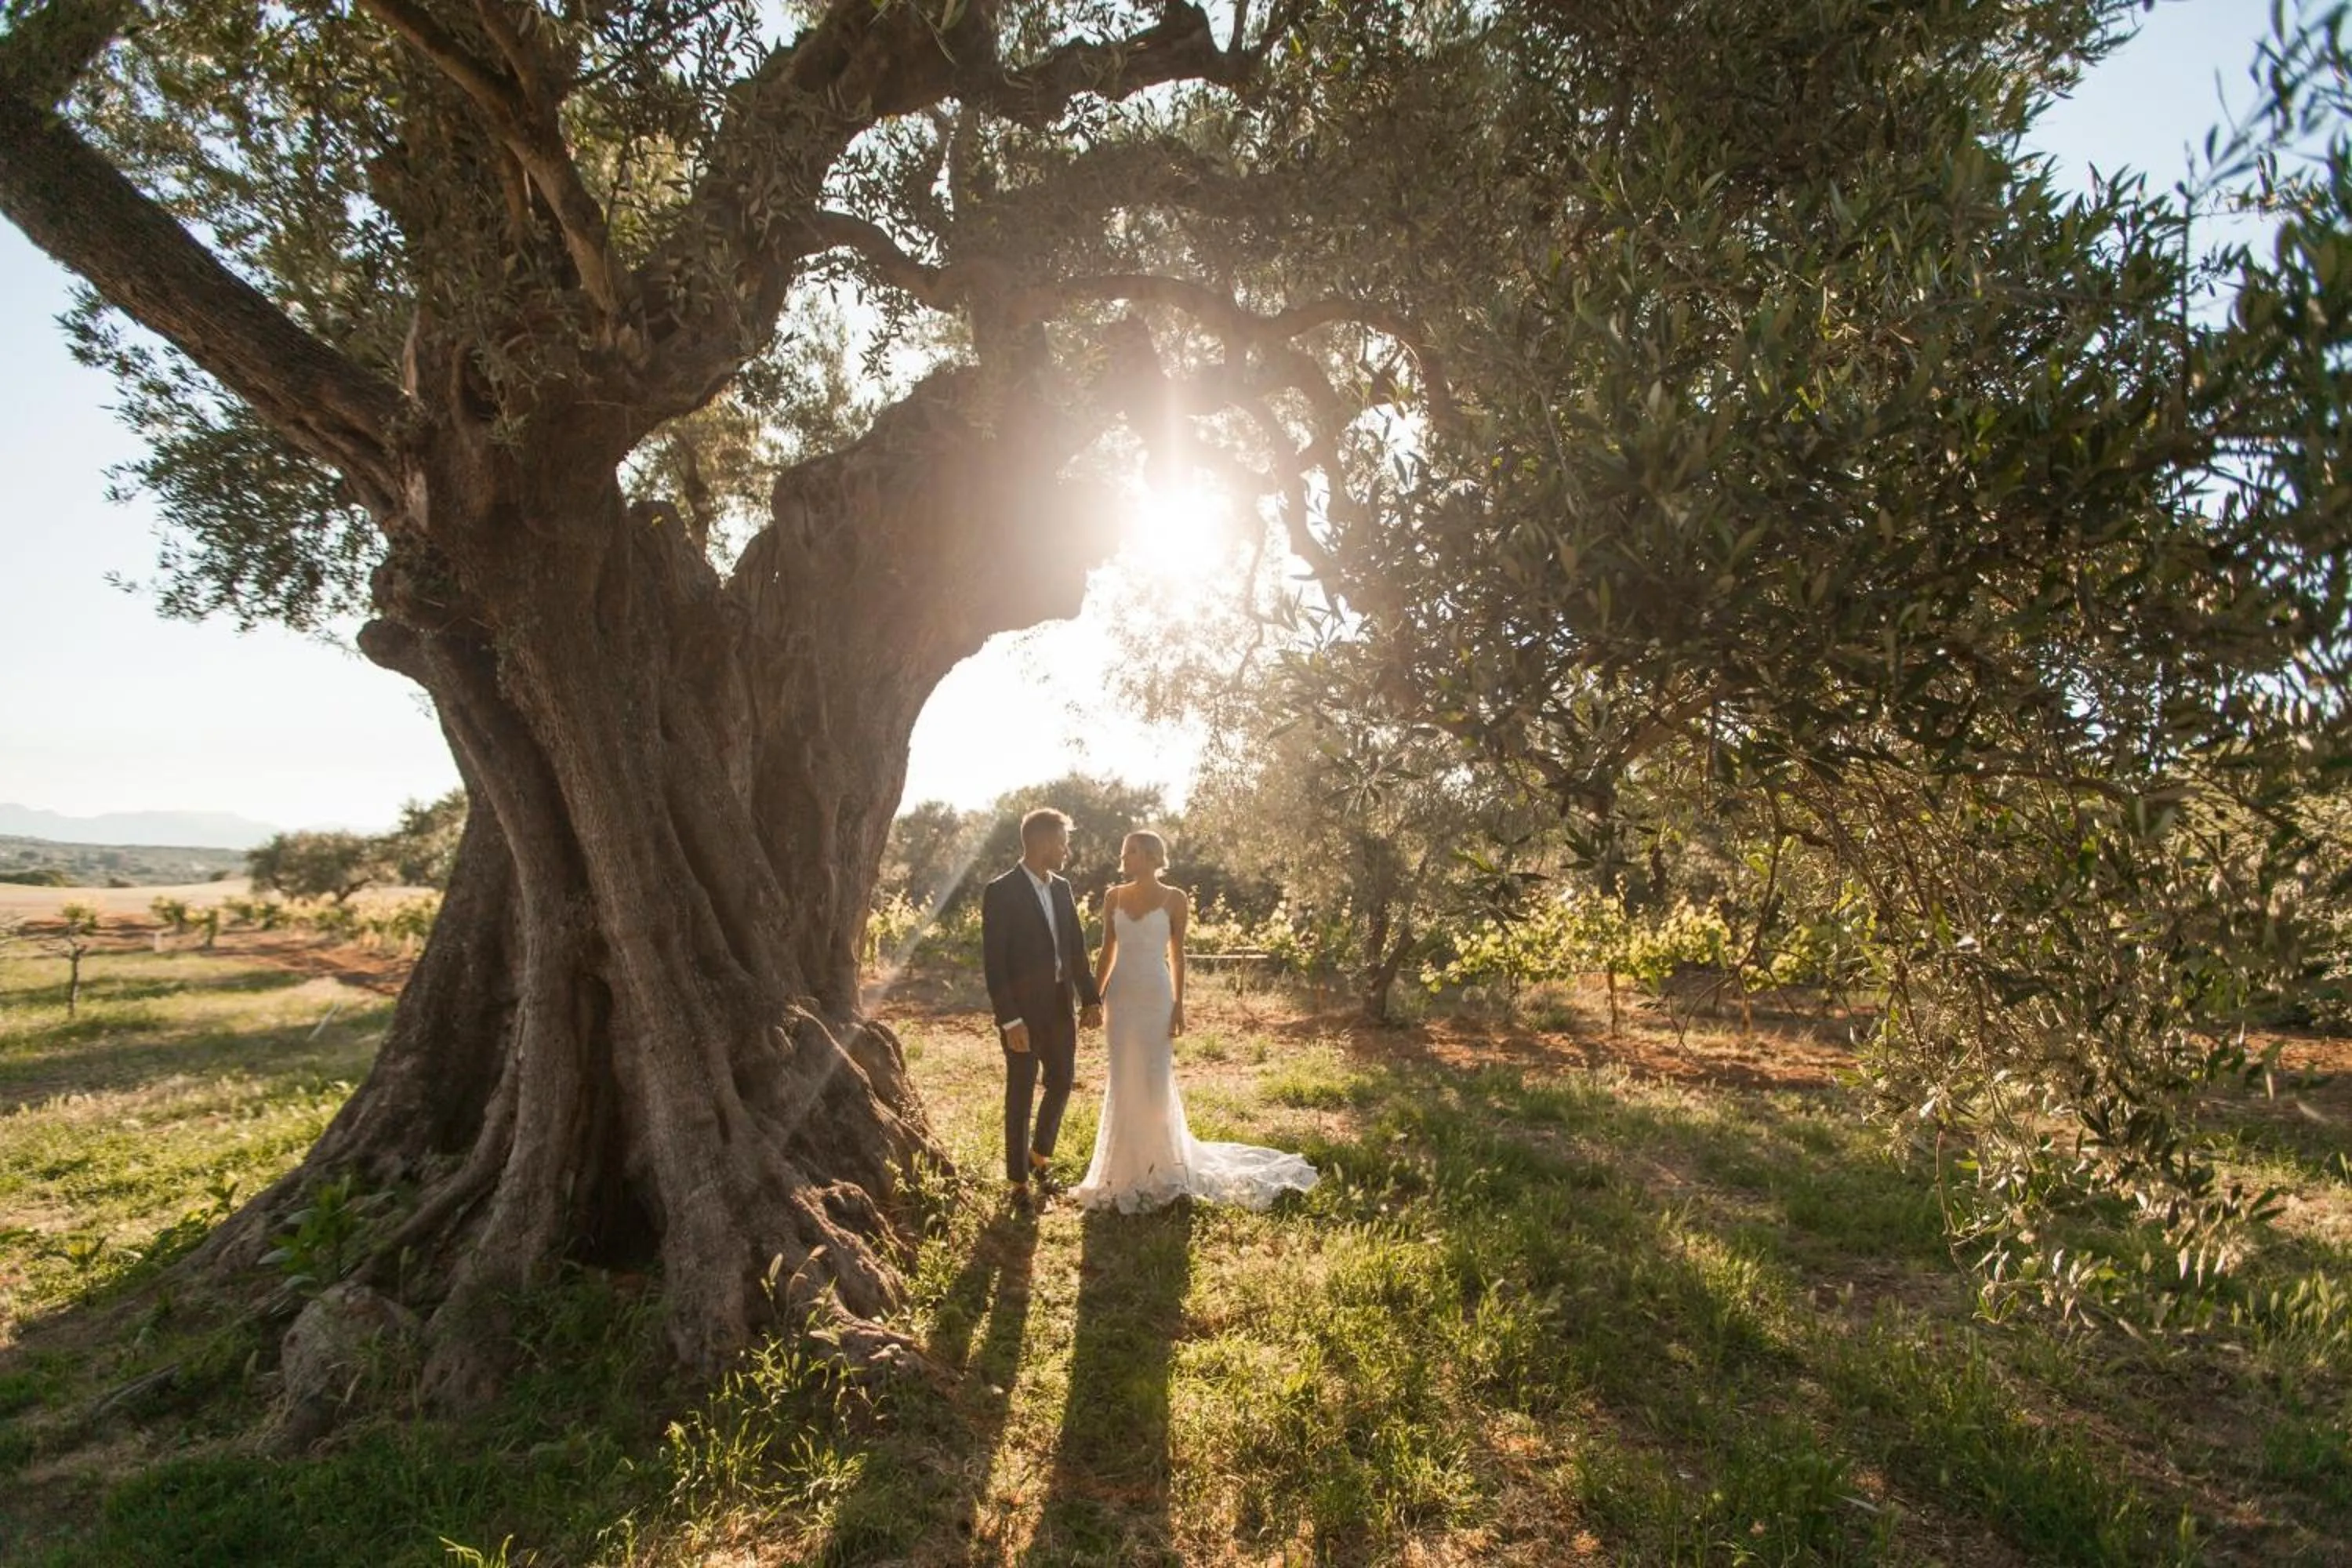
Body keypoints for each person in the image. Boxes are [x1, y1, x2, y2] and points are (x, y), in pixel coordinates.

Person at [1073, 829, 1319, 1214]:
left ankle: (1161, 1169)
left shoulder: (1176, 899)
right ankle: (1120, 1172)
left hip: (1156, 998)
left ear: (1153, 856)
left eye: (1133, 852)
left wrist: (1179, 1005)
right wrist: (1092, 998)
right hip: (1120, 1000)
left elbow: (1178, 954)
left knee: (1154, 1080)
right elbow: (1107, 951)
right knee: (1123, 1078)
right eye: (1124, 852)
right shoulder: (1112, 897)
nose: (1125, 858)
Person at [981, 808, 1102, 1210]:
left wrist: (1091, 997)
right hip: (1021, 1013)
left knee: (1063, 1079)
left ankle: (1039, 1156)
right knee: (1020, 1090)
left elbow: (1076, 949)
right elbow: (994, 963)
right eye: (1063, 841)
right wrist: (1009, 1019)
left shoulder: (1063, 888)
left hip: (1058, 1005)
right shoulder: (1000, 891)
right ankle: (1017, 1181)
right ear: (1044, 842)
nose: (1067, 850)